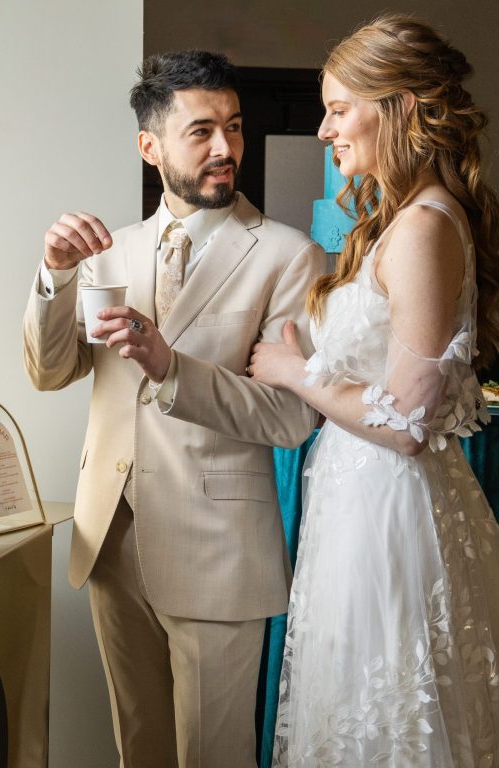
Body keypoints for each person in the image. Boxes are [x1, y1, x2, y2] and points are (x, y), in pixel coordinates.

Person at [23, 50, 326, 767]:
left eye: (235, 127)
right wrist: (53, 275)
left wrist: (172, 368)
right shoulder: (106, 254)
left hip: (218, 552)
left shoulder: (291, 257)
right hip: (110, 542)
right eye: (202, 131)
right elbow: (50, 371)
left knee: (213, 758)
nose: (226, 148)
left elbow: (290, 418)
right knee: (141, 752)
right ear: (149, 146)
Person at [248, 14, 499, 765]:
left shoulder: (425, 227)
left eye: (338, 108)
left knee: (389, 722)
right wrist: (308, 350)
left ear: (399, 107)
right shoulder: (397, 222)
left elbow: (405, 423)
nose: (325, 130)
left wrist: (297, 372)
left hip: (394, 515)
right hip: (355, 505)